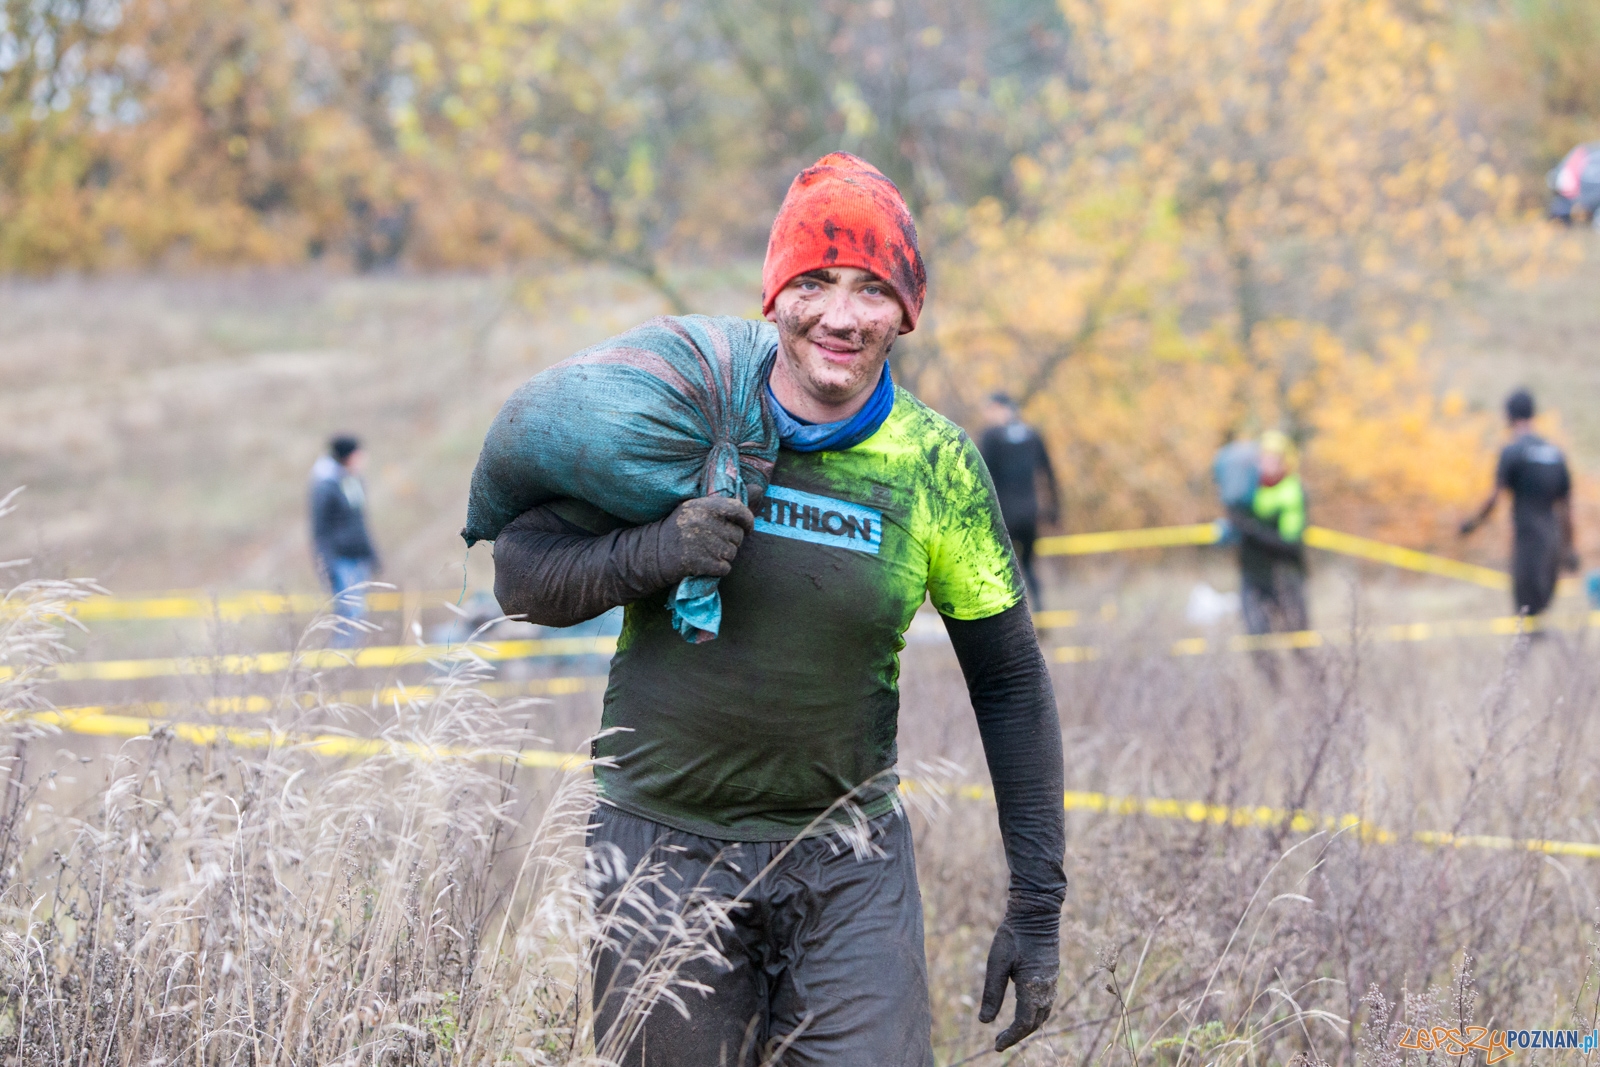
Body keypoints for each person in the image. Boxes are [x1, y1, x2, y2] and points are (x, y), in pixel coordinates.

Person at [492, 153, 1064, 1066]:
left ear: (905, 312)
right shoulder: (687, 411)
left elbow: (1009, 683)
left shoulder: (936, 466)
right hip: (658, 854)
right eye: (816, 282)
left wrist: (1038, 908)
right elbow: (520, 578)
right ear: (775, 294)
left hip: (847, 865)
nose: (841, 314)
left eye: (873, 288)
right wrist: (658, 551)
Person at [1460, 389, 1577, 618]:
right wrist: (1570, 548)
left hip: (1527, 540)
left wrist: (1471, 524)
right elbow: (1566, 509)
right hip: (1551, 540)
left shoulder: (1512, 452)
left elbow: (1494, 498)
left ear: (1509, 417)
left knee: (1526, 612)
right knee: (1543, 606)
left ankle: (1525, 651)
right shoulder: (1555, 453)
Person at [979, 392, 1060, 606]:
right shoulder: (1032, 434)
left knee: (1002, 569)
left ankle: (1013, 620)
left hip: (1003, 514)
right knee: (1028, 565)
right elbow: (1049, 473)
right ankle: (1040, 612)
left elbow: (982, 477)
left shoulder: (991, 437)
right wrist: (1054, 510)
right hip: (1030, 512)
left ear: (999, 408)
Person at [1230, 431, 1308, 638]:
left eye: (1273, 459)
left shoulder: (1291, 491)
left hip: (1284, 574)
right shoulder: (1248, 488)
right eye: (1263, 458)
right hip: (1253, 575)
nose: (1266, 464)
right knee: (1258, 641)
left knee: (1298, 640)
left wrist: (1250, 528)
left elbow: (1289, 542)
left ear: (1285, 462)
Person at [310, 435, 379, 644]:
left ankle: (348, 664)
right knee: (348, 614)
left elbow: (359, 523)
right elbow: (320, 530)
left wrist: (372, 555)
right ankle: (340, 664)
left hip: (358, 557)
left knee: (358, 615)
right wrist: (326, 564)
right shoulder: (326, 486)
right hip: (340, 560)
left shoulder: (353, 481)